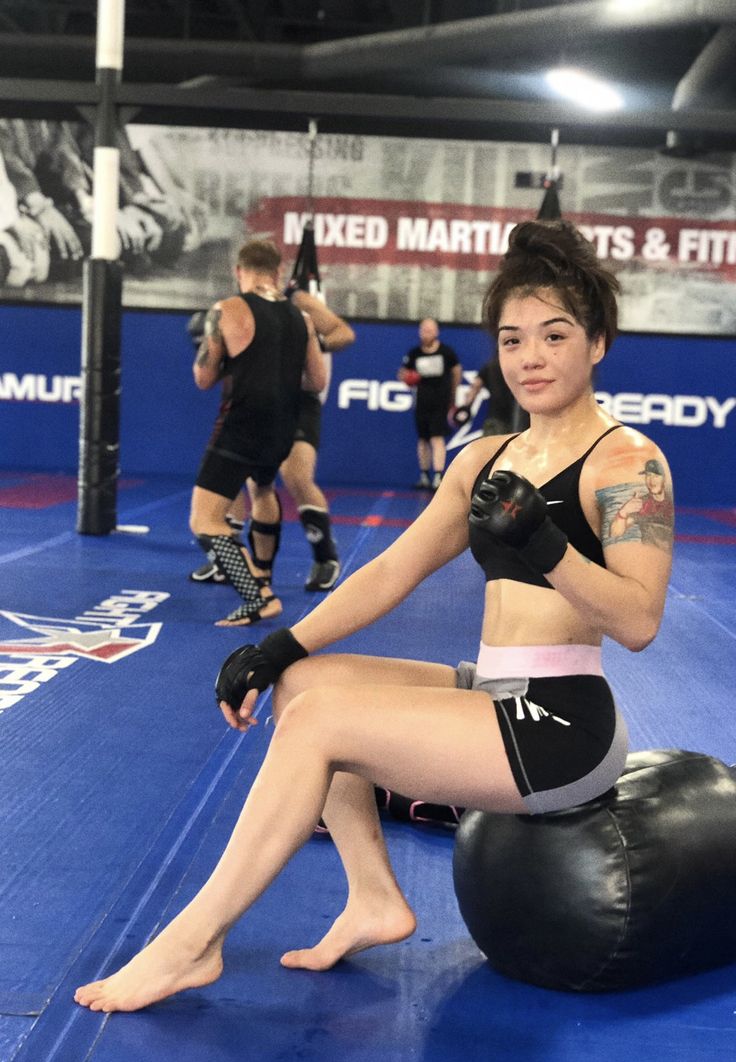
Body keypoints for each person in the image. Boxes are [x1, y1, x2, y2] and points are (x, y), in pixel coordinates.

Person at [74, 219, 675, 1013]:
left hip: (563, 726)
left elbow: (638, 621)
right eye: (512, 337)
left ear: (597, 342)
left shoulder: (628, 462)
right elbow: (392, 571)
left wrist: (549, 547)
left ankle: (191, 943)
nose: (530, 357)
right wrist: (277, 645)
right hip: (492, 692)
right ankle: (372, 898)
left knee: (323, 728)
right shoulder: (482, 461)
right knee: (304, 686)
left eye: (554, 335)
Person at [188, 238, 326, 627]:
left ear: (239, 271)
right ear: (278, 272)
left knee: (205, 520)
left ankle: (258, 595)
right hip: (283, 427)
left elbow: (203, 378)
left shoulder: (228, 310)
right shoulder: (302, 318)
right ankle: (262, 571)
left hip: (241, 425)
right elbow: (317, 380)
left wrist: (216, 350)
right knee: (262, 490)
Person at [190, 288, 355, 592]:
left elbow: (344, 333)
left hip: (300, 399)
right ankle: (236, 561)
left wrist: (307, 346)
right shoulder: (240, 305)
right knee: (242, 478)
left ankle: (325, 557)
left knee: (296, 475)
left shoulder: (298, 300)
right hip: (258, 401)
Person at [397, 318, 462, 490]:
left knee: (436, 438)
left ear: (436, 332)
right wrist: (408, 378)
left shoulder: (446, 352)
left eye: (429, 330)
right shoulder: (414, 353)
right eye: (423, 330)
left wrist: (452, 395)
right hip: (421, 402)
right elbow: (402, 373)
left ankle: (438, 476)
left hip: (440, 402)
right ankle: (424, 475)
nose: (426, 333)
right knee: (423, 439)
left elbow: (456, 371)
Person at [454, 353, 530, 437]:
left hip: (497, 419)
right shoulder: (521, 367)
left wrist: (466, 407)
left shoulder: (490, 365)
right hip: (519, 419)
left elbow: (475, 388)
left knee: (491, 448)